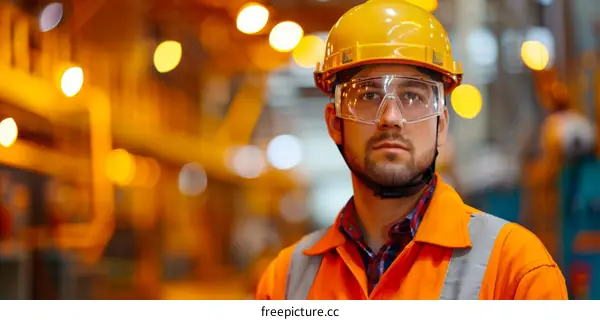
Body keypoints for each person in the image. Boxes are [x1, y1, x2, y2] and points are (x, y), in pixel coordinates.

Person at [255, 0, 568, 300]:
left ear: (441, 124)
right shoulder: (284, 281)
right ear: (334, 122)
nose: (390, 118)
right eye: (367, 96)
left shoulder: (518, 272)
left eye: (413, 97)